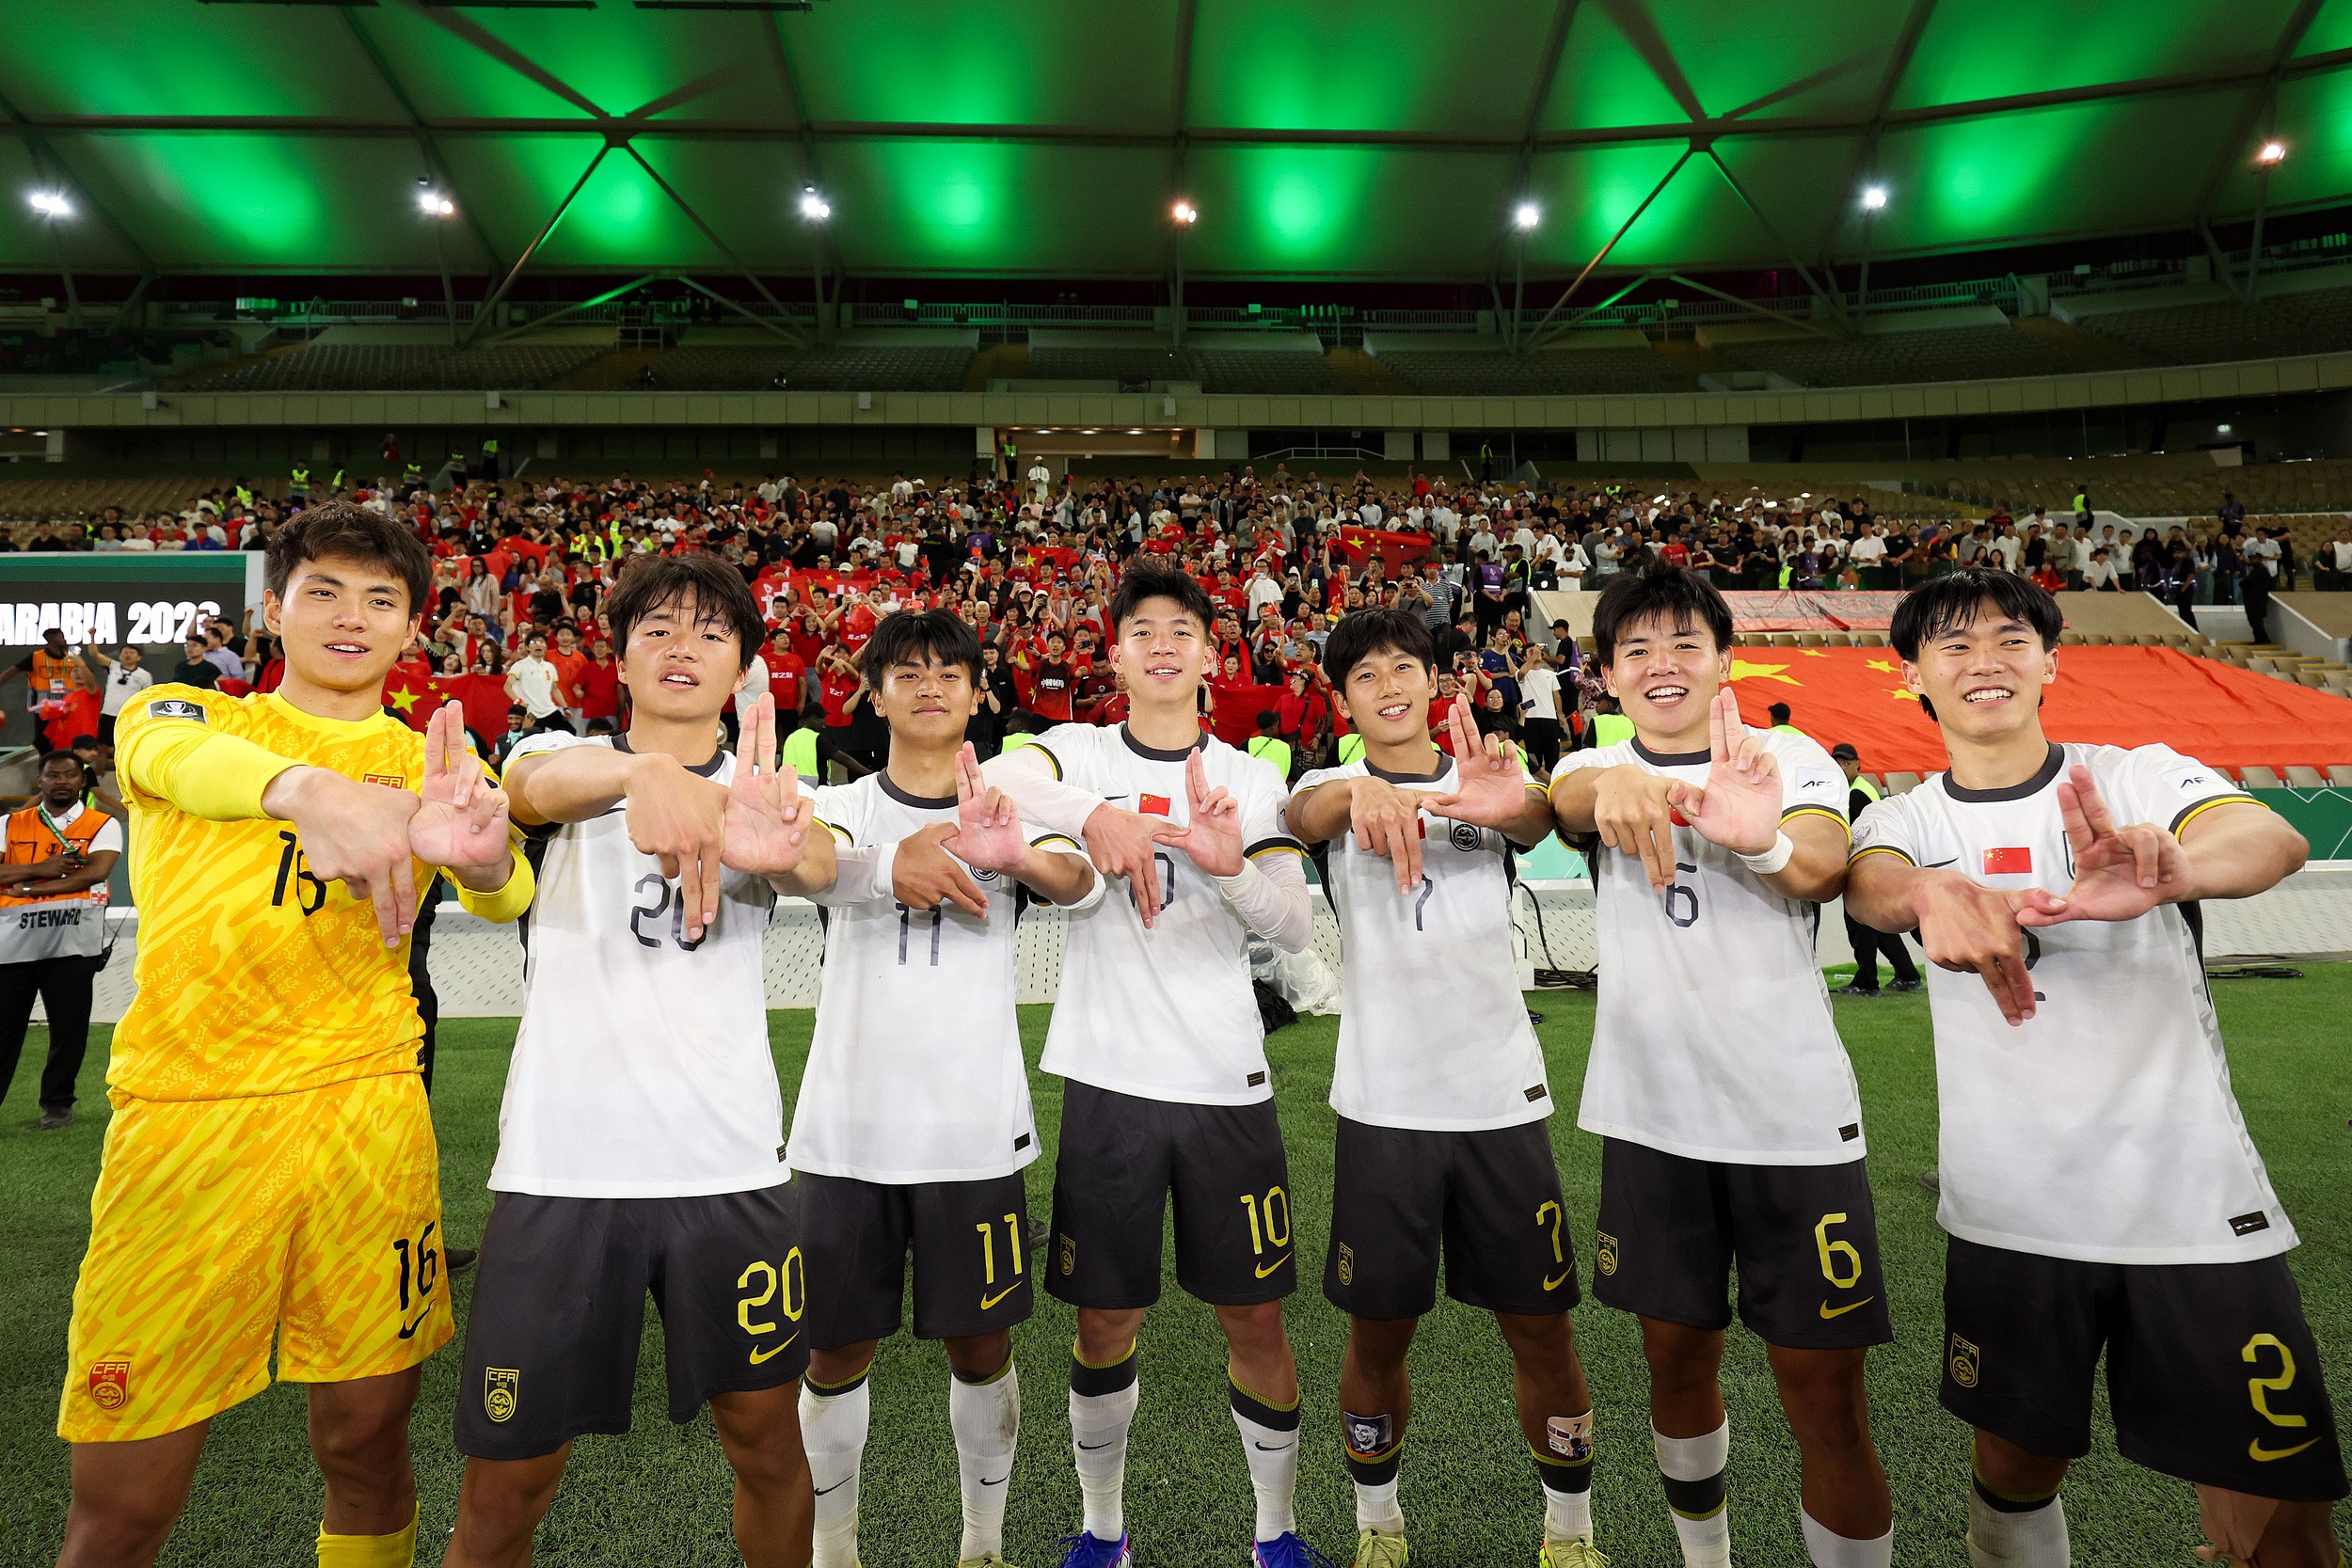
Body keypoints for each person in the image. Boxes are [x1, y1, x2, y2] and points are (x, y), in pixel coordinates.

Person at [54, 501, 532, 1568]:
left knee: (367, 1440)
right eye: (323, 591)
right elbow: (167, 756)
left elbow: (504, 893)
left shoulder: (428, 756)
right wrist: (309, 790)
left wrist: (490, 859)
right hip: (191, 1123)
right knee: (122, 1501)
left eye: (380, 599)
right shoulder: (188, 711)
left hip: (367, 1122)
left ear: (413, 626)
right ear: (273, 610)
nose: (351, 616)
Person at [1845, 568, 2344, 1568]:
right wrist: (1933, 895)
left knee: (2281, 1519)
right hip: (2012, 1213)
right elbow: (1871, 881)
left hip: (2194, 1206)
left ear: (2052, 661)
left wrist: (2177, 867)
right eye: (1953, 644)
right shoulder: (1906, 820)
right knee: (2013, 1470)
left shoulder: (2135, 775)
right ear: (1912, 676)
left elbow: (2270, 836)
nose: (1984, 660)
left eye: (2009, 638)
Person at [446, 552, 835, 1568]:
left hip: (728, 1169)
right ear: (617, 659)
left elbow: (821, 859)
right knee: (506, 1483)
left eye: (711, 631)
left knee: (769, 1447)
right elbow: (529, 785)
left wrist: (778, 844)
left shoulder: (766, 789)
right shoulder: (565, 757)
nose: (681, 647)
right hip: (563, 1171)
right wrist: (642, 774)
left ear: (742, 667)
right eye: (656, 628)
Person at [1548, 565, 1893, 1568]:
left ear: (1724, 659)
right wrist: (1616, 781)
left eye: (1684, 643)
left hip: (1793, 1121)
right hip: (1653, 1120)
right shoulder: (1596, 762)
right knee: (1674, 1361)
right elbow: (1563, 797)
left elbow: (1822, 864)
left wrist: (1759, 839)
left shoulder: (1786, 754)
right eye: (1637, 649)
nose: (1662, 664)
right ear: (1609, 675)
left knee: (1826, 1395)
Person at [981, 563, 1320, 1568]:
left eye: (1182, 629)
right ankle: (1103, 1532)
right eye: (1143, 630)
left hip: (1225, 1080)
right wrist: (1095, 815)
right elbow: (994, 776)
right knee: (1104, 1318)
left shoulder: (1251, 776)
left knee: (1254, 1316)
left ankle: (1275, 1535)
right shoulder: (1079, 750)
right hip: (1111, 1078)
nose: (1163, 643)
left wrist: (1232, 869)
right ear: (1116, 654)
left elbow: (1296, 928)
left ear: (1212, 653)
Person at [1289, 609, 1606, 1568]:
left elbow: (1538, 816)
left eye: (1404, 667)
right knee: (1378, 1336)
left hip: (1500, 1102)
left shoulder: (1490, 776)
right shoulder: (1321, 787)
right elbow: (1304, 817)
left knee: (1543, 1333)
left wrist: (1506, 801)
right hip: (1383, 1108)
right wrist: (1357, 791)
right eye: (1365, 675)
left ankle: (1570, 1535)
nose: (1388, 686)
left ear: (1437, 679)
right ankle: (1378, 1525)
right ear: (1343, 699)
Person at [790, 610, 1100, 1568]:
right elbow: (807, 863)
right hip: (846, 1130)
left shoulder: (1005, 806)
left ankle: (981, 1543)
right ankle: (834, 1546)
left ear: (977, 694)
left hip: (972, 1129)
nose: (929, 685)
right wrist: (888, 864)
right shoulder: (842, 805)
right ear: (875, 695)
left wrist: (1017, 856)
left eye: (949, 672)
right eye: (908, 671)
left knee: (982, 1348)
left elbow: (1083, 882)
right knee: (833, 1352)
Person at [0, 750, 123, 1128]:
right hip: (13, 945)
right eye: (53, 775)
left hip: (73, 943)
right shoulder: (9, 823)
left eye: (69, 775)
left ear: (82, 781)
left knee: (69, 1031)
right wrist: (44, 868)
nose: (61, 782)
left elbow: (94, 873)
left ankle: (57, 1105)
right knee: (3, 1031)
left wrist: (28, 886)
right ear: (40, 780)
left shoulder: (102, 824)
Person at [1826, 745, 1919, 998]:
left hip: (1865, 866)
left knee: (1859, 926)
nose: (1841, 767)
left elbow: (1858, 833)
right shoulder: (1860, 788)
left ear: (1858, 764)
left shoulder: (1856, 794)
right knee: (1877, 925)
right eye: (1837, 763)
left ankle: (1867, 982)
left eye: (1846, 763)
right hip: (1875, 864)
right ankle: (1907, 974)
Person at [87, 646, 153, 748]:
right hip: (108, 714)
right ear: (120, 656)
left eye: (132, 652)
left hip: (129, 716)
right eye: (125, 652)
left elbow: (147, 697)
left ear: (139, 657)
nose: (128, 655)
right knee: (102, 746)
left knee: (126, 745)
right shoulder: (113, 666)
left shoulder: (145, 675)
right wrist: (92, 639)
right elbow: (94, 654)